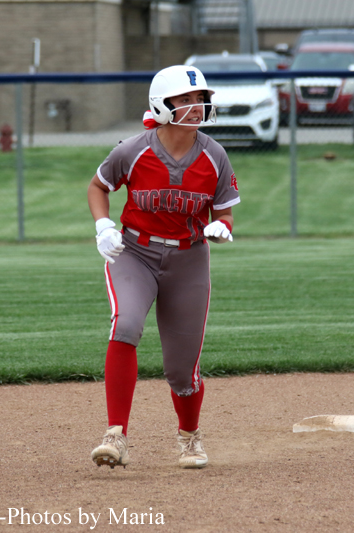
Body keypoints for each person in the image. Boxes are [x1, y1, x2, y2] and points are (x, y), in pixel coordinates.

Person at [87, 65, 240, 469]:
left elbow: (224, 211)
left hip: (189, 259)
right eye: (185, 99)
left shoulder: (214, 155)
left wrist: (221, 228)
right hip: (134, 253)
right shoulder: (133, 149)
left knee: (181, 369)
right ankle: (115, 435)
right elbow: (99, 185)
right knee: (126, 324)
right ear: (161, 104)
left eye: (199, 99)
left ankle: (189, 437)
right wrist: (103, 225)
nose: (196, 106)